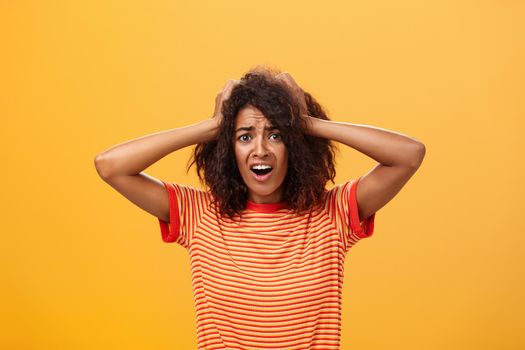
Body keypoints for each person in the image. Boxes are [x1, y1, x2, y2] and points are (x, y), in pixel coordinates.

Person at [94, 66, 425, 350]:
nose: (261, 150)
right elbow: (110, 166)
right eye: (244, 137)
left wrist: (307, 123)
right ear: (228, 149)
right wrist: (211, 127)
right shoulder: (199, 214)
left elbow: (408, 155)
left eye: (277, 136)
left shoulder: (333, 213)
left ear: (296, 146)